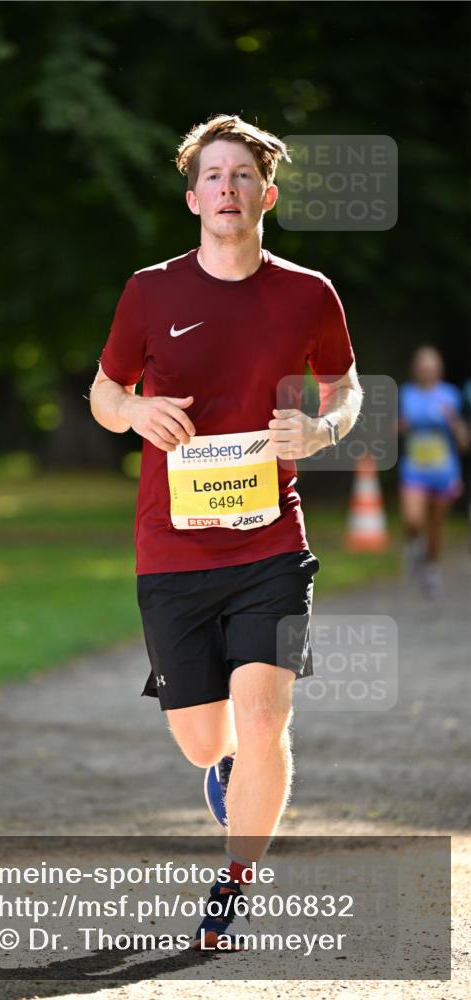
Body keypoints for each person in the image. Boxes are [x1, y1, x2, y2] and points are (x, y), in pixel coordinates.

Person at [89, 114, 362, 950]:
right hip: (171, 548)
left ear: (265, 194)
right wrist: (135, 409)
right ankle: (225, 771)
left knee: (264, 709)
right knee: (205, 736)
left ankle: (234, 880)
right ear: (191, 197)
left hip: (270, 544)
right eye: (212, 176)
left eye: (241, 176)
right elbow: (103, 396)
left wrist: (320, 431)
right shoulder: (150, 291)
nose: (227, 189)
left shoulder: (307, 292)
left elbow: (347, 388)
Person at [399, 345, 468, 597]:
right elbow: (393, 429)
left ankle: (431, 570)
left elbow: (462, 441)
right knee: (412, 519)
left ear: (439, 368)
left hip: (444, 472)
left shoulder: (450, 395)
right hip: (414, 470)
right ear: (415, 369)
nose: (426, 368)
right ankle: (413, 546)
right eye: (422, 364)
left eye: (431, 364)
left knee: (436, 527)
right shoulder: (406, 394)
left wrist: (452, 420)